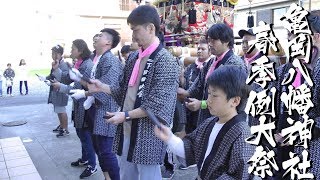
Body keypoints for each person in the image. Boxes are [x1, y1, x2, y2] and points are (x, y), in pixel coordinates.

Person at [87, 5, 180, 180]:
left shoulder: (166, 60)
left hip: (149, 132)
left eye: (136, 30)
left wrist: (125, 115)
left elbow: (156, 104)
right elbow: (123, 90)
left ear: (151, 28)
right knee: (126, 175)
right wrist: (102, 87)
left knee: (148, 176)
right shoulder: (133, 57)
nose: (133, 35)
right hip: (127, 128)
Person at [155, 65, 254, 180]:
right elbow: (191, 149)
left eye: (215, 95)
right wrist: (169, 138)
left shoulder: (242, 134)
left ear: (235, 101)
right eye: (209, 93)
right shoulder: (209, 123)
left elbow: (240, 176)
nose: (209, 100)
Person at [69, 28, 123, 180]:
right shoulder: (98, 58)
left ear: (108, 42)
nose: (96, 38)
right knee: (99, 149)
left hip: (106, 111)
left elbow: (106, 88)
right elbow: (91, 83)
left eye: (100, 36)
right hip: (95, 109)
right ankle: (107, 177)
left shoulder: (110, 60)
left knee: (106, 151)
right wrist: (80, 78)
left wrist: (84, 91)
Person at [177, 23, 247, 127]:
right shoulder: (212, 61)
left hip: (226, 120)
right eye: (209, 40)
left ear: (226, 41)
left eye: (213, 40)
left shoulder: (235, 64)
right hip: (208, 117)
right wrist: (186, 93)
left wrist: (202, 104)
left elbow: (228, 97)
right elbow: (199, 83)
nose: (210, 44)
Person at [51, 39, 97, 179]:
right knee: (81, 133)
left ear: (80, 50)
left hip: (84, 105)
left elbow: (76, 88)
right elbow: (67, 79)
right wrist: (56, 69)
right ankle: (85, 159)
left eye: (73, 48)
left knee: (85, 135)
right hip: (79, 105)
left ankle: (92, 165)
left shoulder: (87, 65)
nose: (70, 51)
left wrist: (60, 86)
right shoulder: (79, 63)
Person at [38, 45, 72, 137]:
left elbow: (65, 79)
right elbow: (52, 75)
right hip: (55, 89)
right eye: (52, 53)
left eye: (54, 53)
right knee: (58, 110)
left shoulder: (63, 64)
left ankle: (65, 129)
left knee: (61, 110)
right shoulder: (55, 63)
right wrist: (45, 78)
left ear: (60, 54)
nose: (52, 55)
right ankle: (61, 125)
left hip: (61, 90)